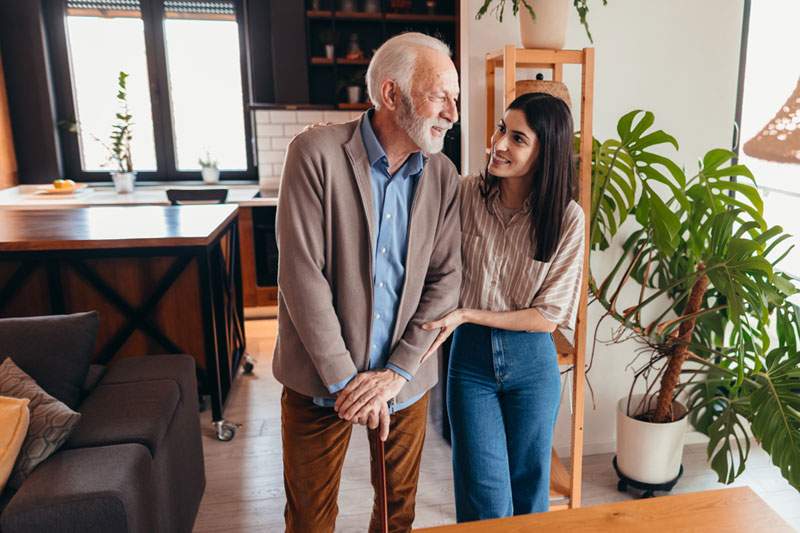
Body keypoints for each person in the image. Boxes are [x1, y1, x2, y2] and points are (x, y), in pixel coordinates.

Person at [273, 32, 461, 533]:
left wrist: (397, 373)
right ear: (391, 93)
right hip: (319, 385)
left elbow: (445, 281)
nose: (452, 113)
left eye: (455, 99)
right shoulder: (314, 153)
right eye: (441, 95)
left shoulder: (443, 174)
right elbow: (301, 275)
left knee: (398, 517)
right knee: (310, 521)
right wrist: (348, 384)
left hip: (406, 382)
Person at [422, 92, 585, 521]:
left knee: (530, 494)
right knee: (484, 500)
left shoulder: (567, 219)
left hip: (533, 366)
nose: (498, 144)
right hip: (470, 364)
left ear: (545, 151)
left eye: (517, 138)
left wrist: (467, 313)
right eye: (500, 129)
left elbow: (547, 317)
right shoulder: (464, 194)